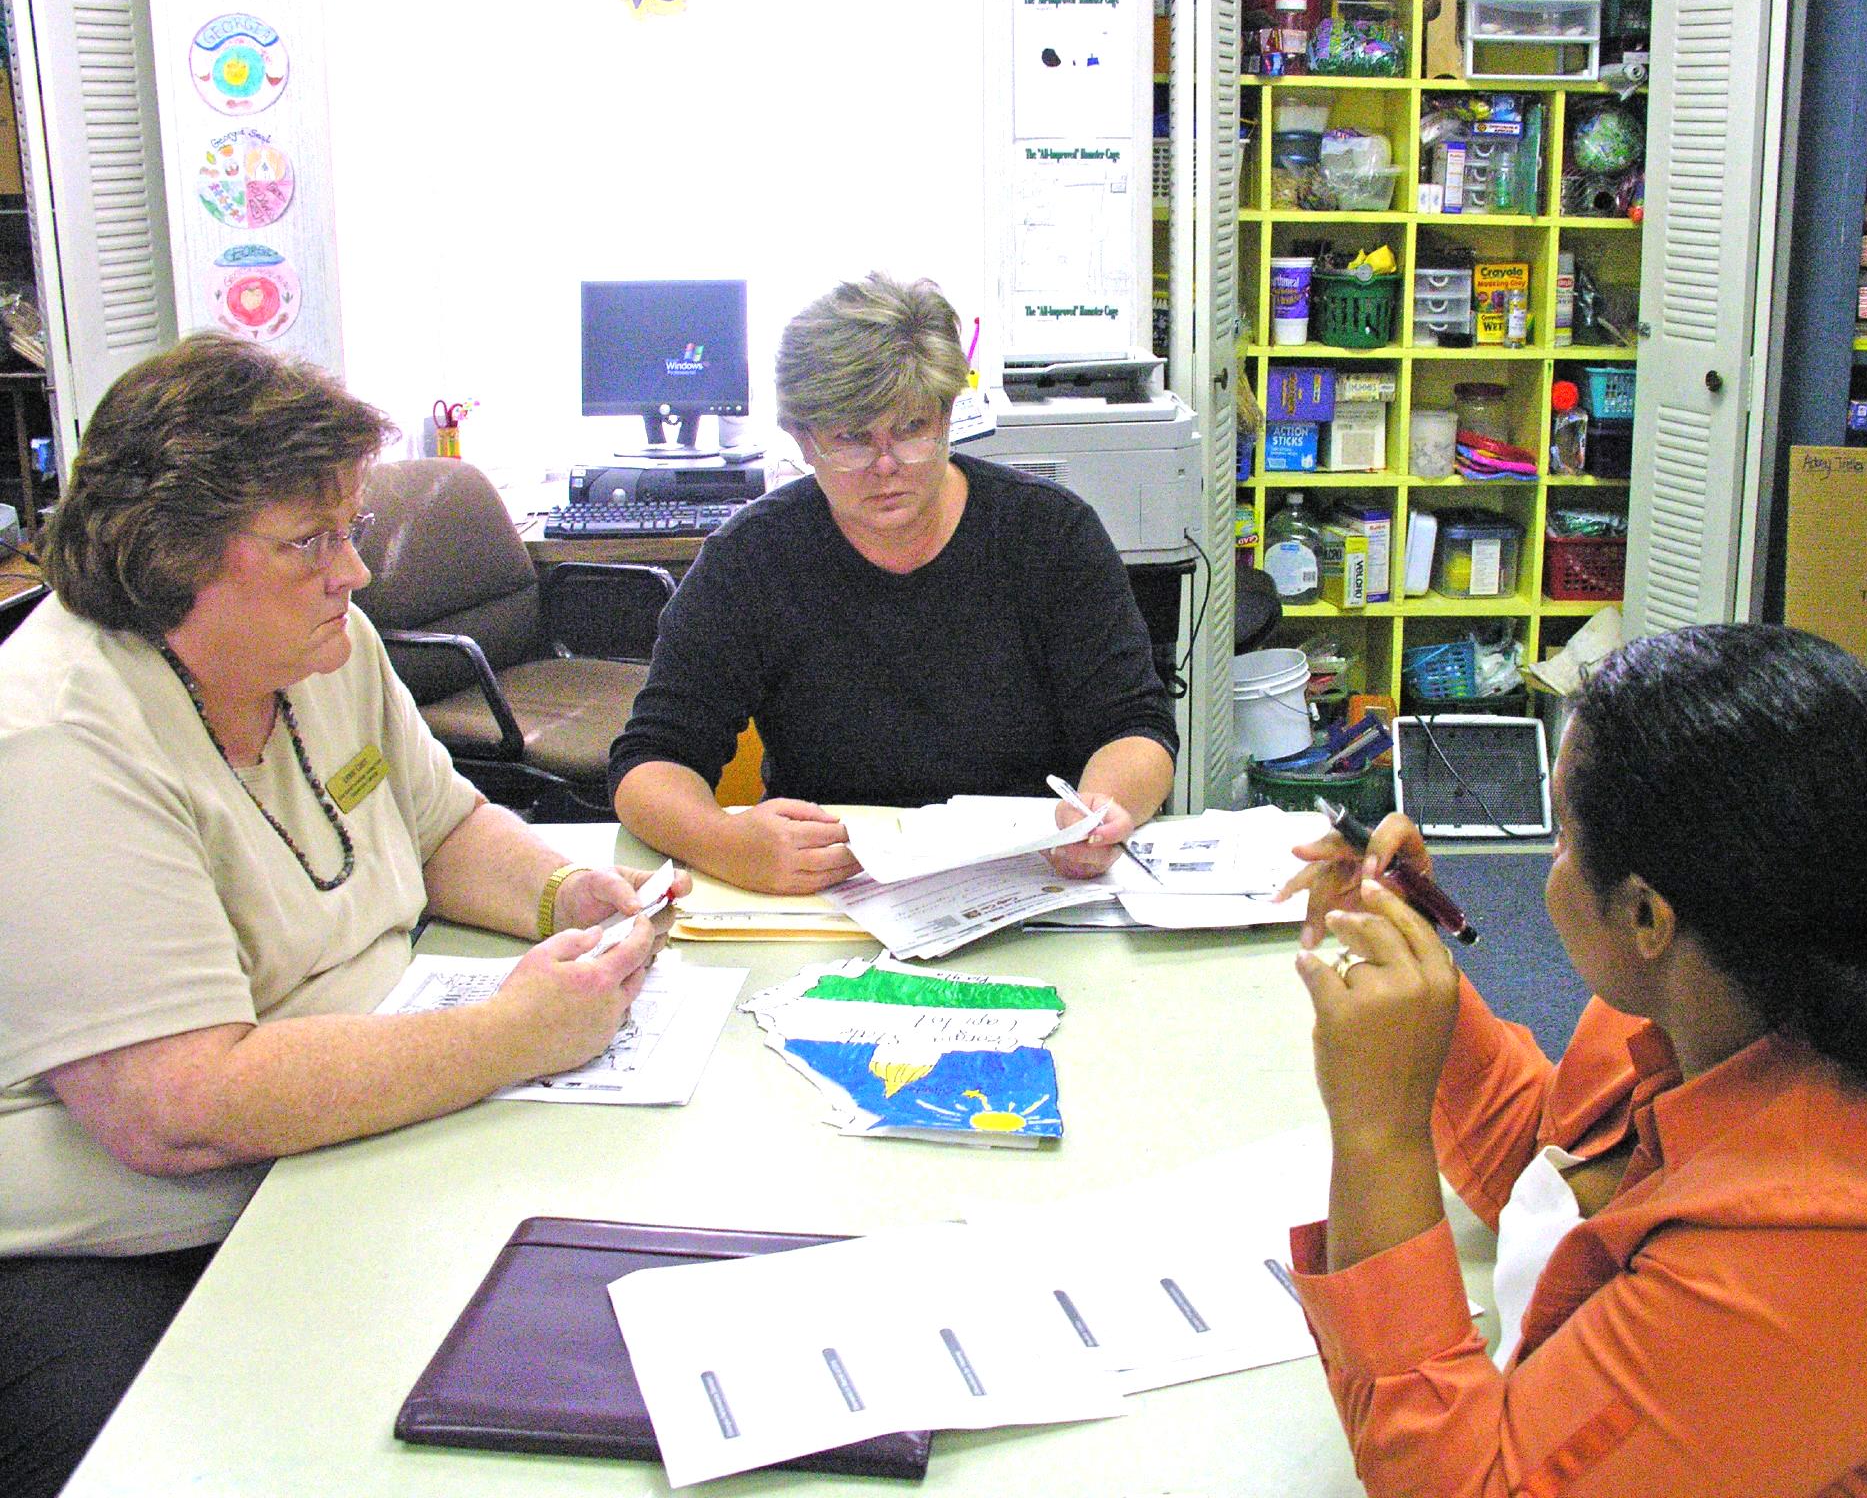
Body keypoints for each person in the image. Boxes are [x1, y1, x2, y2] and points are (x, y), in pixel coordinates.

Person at [0, 333, 685, 1498]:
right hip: (140, 1246)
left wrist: (561, 893)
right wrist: (519, 1034)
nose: (354, 573)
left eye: (349, 531)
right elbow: (178, 1110)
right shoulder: (59, 738)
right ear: (170, 557)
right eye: (312, 541)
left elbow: (440, 826)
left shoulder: (319, 645)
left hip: (358, 1131)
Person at [1277, 624, 1867, 1496]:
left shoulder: (1828, 1245)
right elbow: (1556, 1175)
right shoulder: (1754, 976)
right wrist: (1423, 1002)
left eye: (1562, 834)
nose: (1550, 862)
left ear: (1647, 917)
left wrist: (1379, 1131)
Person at [610, 272, 1178, 895]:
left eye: (910, 429)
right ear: (800, 438)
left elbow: (1136, 727)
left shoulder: (1049, 535)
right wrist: (725, 842)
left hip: (1033, 877)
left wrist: (1102, 810)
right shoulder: (752, 559)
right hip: (833, 883)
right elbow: (651, 762)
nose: (886, 468)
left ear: (947, 414)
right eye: (851, 439)